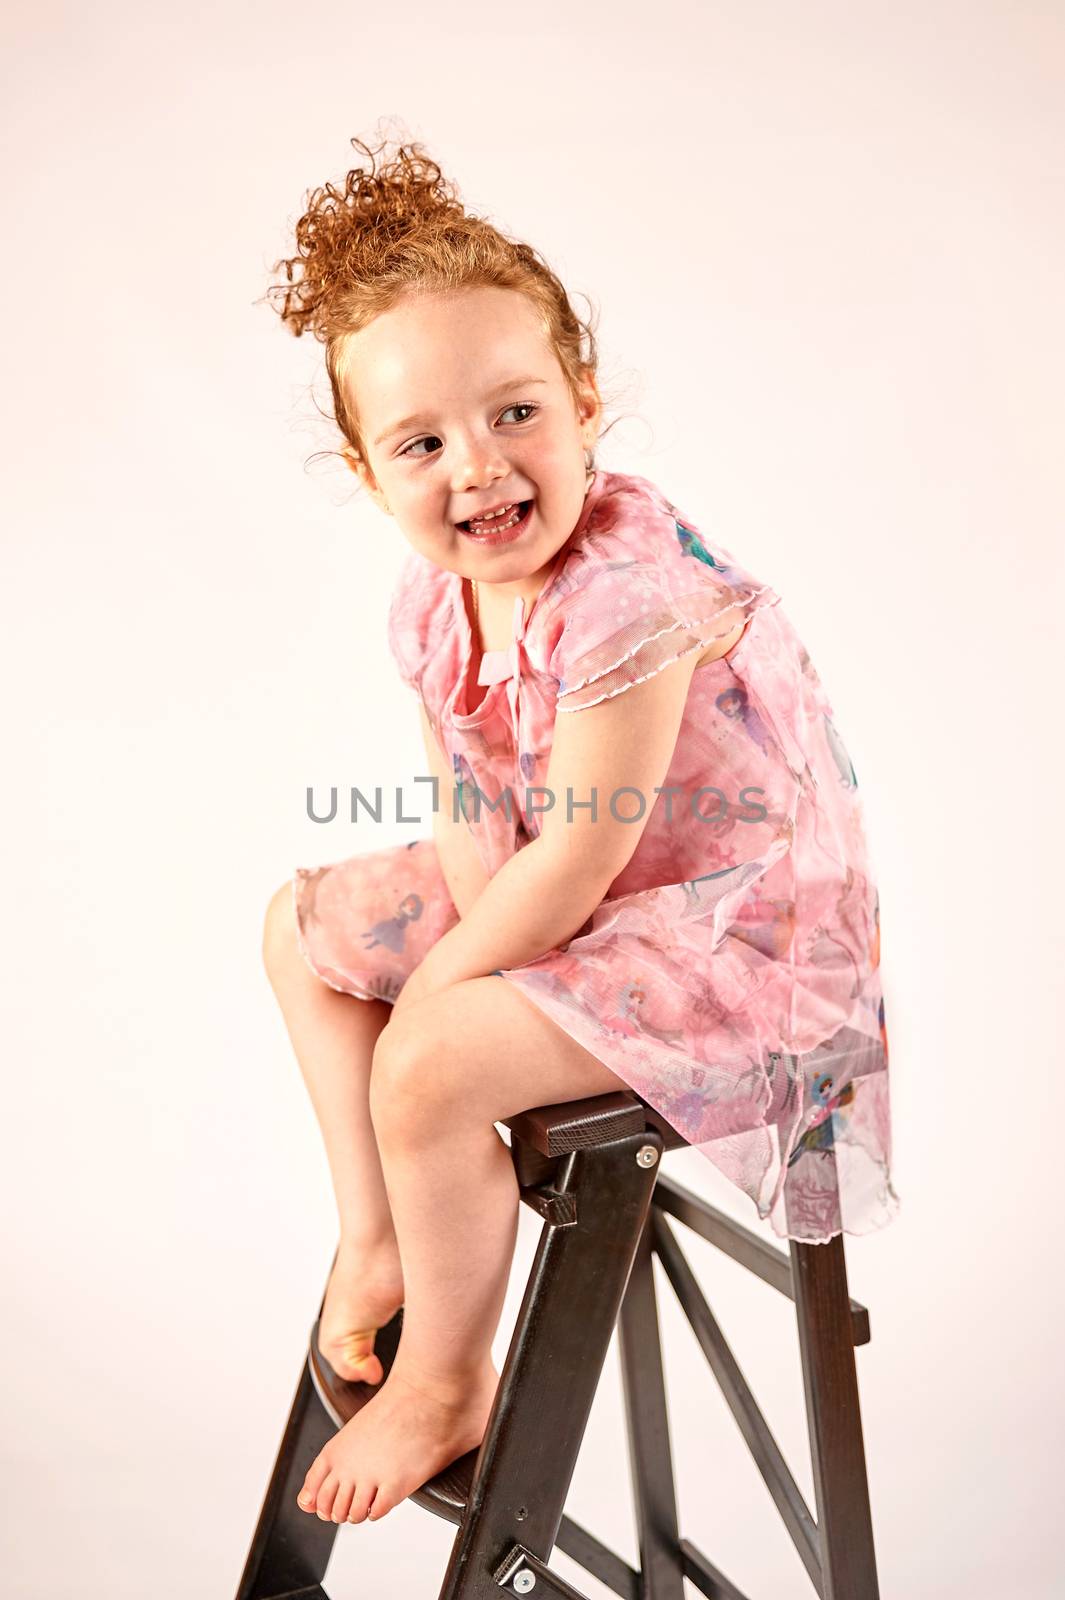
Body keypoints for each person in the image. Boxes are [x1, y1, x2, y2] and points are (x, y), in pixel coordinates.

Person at [260, 131, 900, 1528]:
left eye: (513, 416)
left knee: (425, 1055)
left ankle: (445, 1372)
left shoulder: (622, 586)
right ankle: (378, 1233)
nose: (477, 471)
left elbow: (586, 847)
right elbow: (474, 820)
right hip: (586, 904)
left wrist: (444, 997)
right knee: (302, 935)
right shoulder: (430, 610)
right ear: (371, 477)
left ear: (585, 403)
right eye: (422, 444)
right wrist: (449, 958)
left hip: (730, 929)